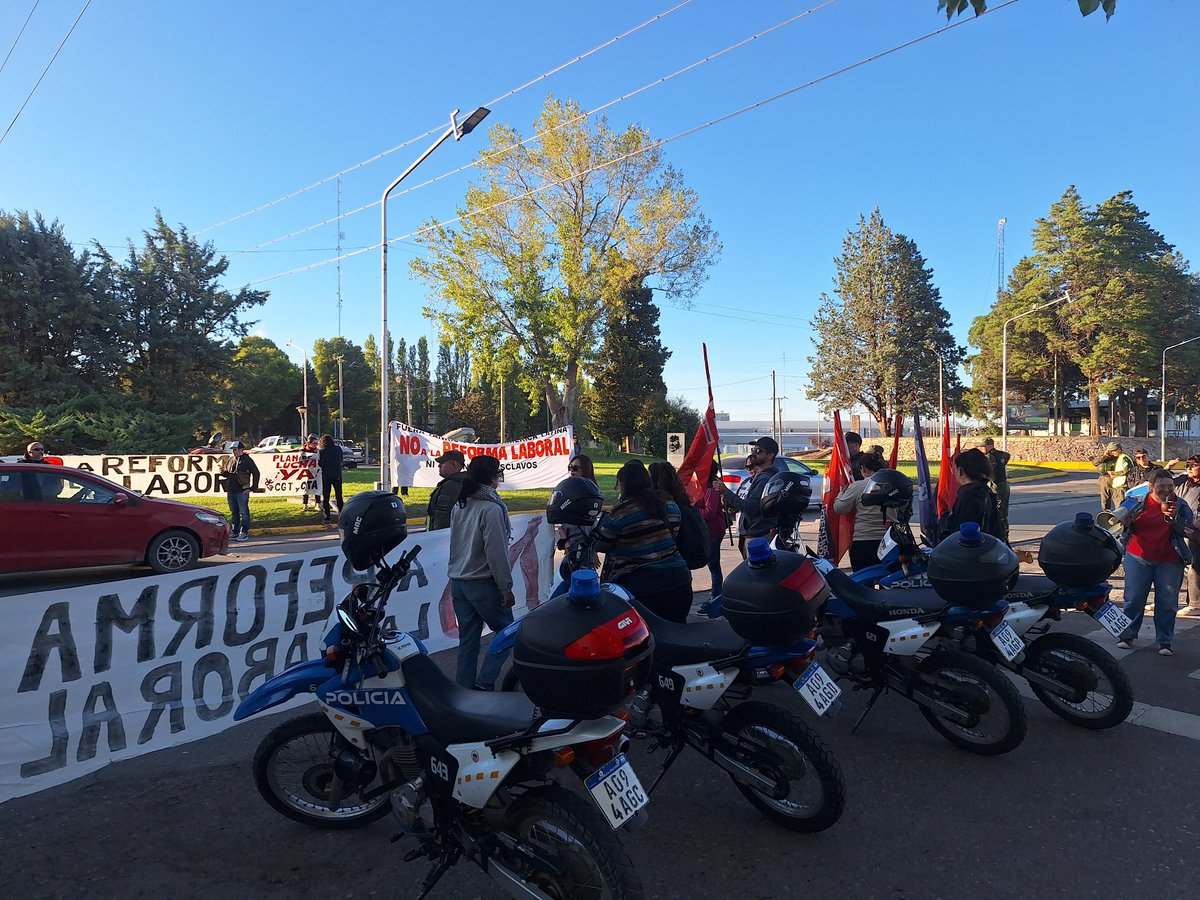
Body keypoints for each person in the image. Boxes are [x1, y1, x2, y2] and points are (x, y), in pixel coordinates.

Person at [593, 459, 692, 623]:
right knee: (677, 637)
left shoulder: (621, 512)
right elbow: (674, 532)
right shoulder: (669, 503)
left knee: (645, 639)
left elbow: (601, 545)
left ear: (625, 485)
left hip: (641, 587)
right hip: (679, 581)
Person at [448, 454, 515, 690]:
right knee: (507, 633)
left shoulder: (461, 504)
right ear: (491, 477)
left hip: (459, 581)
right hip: (483, 583)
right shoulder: (491, 508)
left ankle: (464, 689)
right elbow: (496, 553)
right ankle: (485, 683)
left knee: (468, 641)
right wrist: (505, 587)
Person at [1113, 469, 1193, 656]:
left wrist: (1174, 520)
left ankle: (1165, 641)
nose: (1167, 490)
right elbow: (1119, 526)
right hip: (1138, 557)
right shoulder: (1136, 503)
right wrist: (1125, 521)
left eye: (1170, 486)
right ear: (1151, 487)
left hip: (1170, 560)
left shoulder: (1180, 505)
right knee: (1133, 598)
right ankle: (1127, 635)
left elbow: (1188, 531)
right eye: (1161, 486)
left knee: (1167, 602)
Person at [715, 436, 781, 555]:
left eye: (759, 451)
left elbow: (751, 508)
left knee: (757, 572)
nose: (754, 453)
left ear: (770, 455)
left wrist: (726, 491)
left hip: (759, 536)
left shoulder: (764, 478)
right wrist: (734, 505)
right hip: (756, 534)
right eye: (753, 450)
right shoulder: (764, 476)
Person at [833, 451, 890, 571]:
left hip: (863, 541)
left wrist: (841, 493)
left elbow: (839, 508)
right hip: (888, 542)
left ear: (863, 468)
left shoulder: (858, 486)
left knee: (863, 584)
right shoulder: (892, 484)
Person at [937, 447, 1002, 542]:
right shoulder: (986, 491)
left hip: (971, 553)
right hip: (988, 548)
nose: (953, 473)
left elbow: (959, 533)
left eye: (954, 469)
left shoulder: (968, 496)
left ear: (960, 471)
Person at [556, 454, 600, 572]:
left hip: (584, 551)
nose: (572, 471)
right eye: (570, 468)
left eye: (575, 468)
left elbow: (591, 526)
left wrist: (592, 553)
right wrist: (566, 542)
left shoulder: (591, 492)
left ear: (585, 470)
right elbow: (558, 519)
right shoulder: (567, 488)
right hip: (570, 548)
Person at [1172, 455, 1200, 617]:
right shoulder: (1183, 481)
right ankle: (1170, 598)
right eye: (1188, 465)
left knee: (1194, 567)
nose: (1189, 468)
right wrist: (1168, 468)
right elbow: (1158, 481)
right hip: (1179, 526)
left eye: (1194, 465)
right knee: (1177, 565)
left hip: (1194, 530)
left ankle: (1195, 604)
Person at [222, 442, 260, 541]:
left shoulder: (247, 460)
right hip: (231, 490)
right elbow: (230, 474)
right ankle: (235, 532)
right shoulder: (230, 459)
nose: (233, 451)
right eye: (233, 450)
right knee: (234, 512)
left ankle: (244, 532)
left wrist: (252, 488)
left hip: (242, 491)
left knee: (244, 512)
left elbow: (256, 473)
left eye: (235, 449)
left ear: (241, 449)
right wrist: (223, 473)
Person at [698, 474, 728, 596]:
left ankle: (716, 596)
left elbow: (709, 513)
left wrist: (693, 509)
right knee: (713, 565)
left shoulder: (711, 490)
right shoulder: (703, 488)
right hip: (708, 531)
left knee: (714, 565)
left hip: (714, 531)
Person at [978, 437, 1012, 542]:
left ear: (990, 446)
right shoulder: (1001, 454)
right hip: (1004, 485)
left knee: (999, 512)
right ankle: (1005, 534)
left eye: (983, 447)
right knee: (1003, 511)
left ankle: (1003, 535)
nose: (981, 449)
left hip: (996, 486)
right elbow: (1007, 456)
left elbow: (987, 471)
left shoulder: (989, 457)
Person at [426, 449, 468, 531]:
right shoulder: (460, 483)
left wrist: (437, 536)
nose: (439, 466)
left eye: (442, 463)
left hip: (443, 537)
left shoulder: (451, 486)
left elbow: (442, 518)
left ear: (453, 465)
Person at [1094, 441, 1133, 511]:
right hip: (1105, 480)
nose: (1112, 452)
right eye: (1110, 451)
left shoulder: (1122, 458)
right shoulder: (1106, 458)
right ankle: (1106, 515)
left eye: (1113, 450)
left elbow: (1128, 469)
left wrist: (1115, 473)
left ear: (1119, 449)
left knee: (1118, 501)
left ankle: (1118, 516)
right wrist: (1104, 456)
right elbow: (1095, 462)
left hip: (1117, 482)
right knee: (1105, 500)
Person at [317, 434, 344, 525]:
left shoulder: (322, 451)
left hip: (326, 476)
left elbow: (320, 464)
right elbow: (341, 460)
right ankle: (342, 515)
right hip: (337, 474)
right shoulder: (338, 449)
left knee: (326, 496)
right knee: (339, 495)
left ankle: (327, 517)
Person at [299, 434, 321, 512]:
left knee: (317, 487)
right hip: (306, 472)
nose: (316, 445)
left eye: (317, 443)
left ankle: (318, 504)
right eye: (314, 443)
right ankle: (305, 504)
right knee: (305, 488)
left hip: (316, 472)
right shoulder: (303, 450)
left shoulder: (318, 451)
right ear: (309, 443)